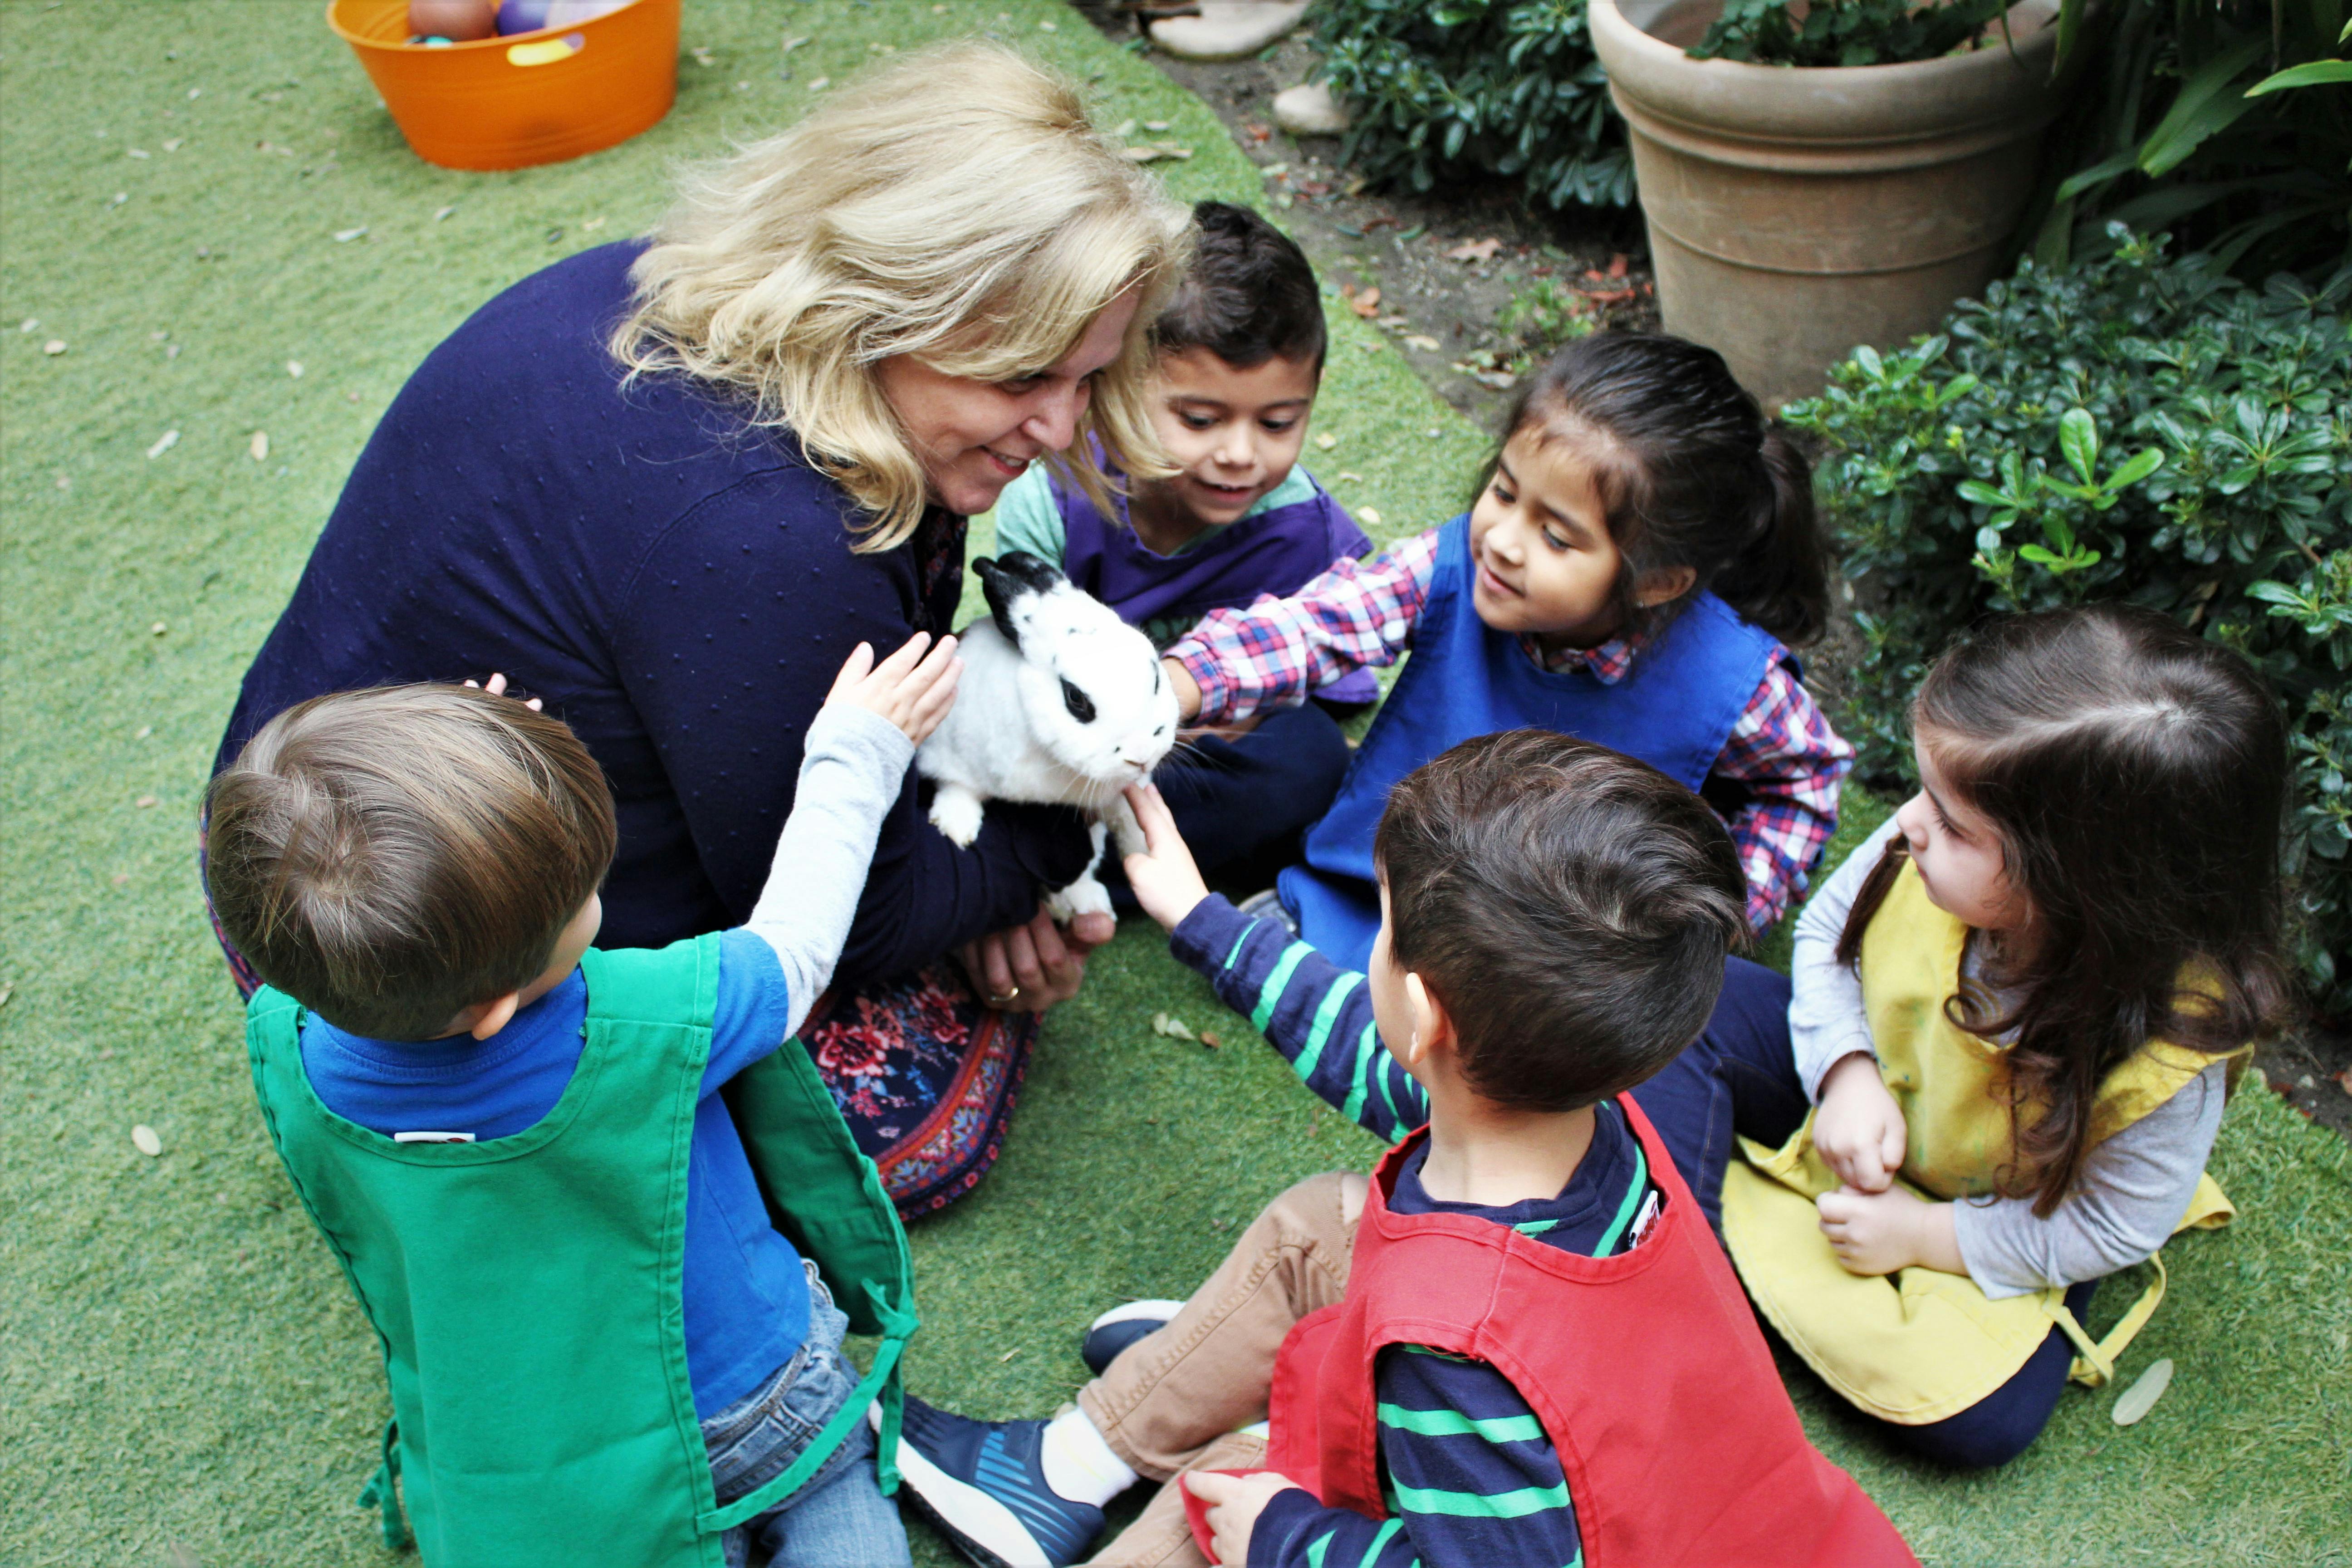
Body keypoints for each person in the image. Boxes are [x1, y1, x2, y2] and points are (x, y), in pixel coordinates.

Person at [206, 43, 1193, 1217]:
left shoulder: (678, 295)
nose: (1058, 423)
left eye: (1087, 376)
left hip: (292, 846)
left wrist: (986, 872)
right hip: (413, 941)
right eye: (1024, 375)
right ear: (885, 304)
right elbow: (860, 913)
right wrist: (1041, 852)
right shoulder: (772, 535)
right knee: (903, 1124)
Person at [881, 732, 1914, 1568]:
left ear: (1425, 1014)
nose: (1367, 949)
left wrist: (1285, 1536)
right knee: (1316, 1224)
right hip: (1718, 1507)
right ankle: (1068, 1468)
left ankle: (1133, 1468)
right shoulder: (1593, 1117)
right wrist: (1202, 920)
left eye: (1379, 928)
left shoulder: (1451, 1365)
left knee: (1230, 1488)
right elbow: (1375, 1059)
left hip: (1551, 1507)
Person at [207, 632, 961, 1568]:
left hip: (563, 1469)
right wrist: (859, 749)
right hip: (756, 1400)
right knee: (831, 1488)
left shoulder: (287, 1038)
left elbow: (394, 894)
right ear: (490, 1009)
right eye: (576, 895)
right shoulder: (638, 1025)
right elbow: (797, 951)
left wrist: (488, 783)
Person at [1632, 604, 2293, 1469]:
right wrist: (1848, 1073)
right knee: (1679, 998)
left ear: (2085, 888)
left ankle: (1730, 1220)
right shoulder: (1924, 840)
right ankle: (1687, 1267)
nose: (1910, 821)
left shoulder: (2178, 1052)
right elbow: (1825, 945)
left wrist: (1923, 1237)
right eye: (1927, 795)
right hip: (1872, 1096)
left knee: (1983, 1424)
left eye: (1952, 823)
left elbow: (2112, 1227)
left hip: (2007, 1199)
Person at [1159, 330, 1852, 969]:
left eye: (1557, 536)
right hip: (1370, 902)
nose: (1502, 539)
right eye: (1504, 491)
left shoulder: (1732, 679)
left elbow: (1807, 779)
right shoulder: (1456, 567)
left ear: (1659, 582)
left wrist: (1715, 925)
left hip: (1560, 968)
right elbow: (1316, 627)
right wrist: (1177, 683)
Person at [991, 201, 1371, 893]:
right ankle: (1083, 862)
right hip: (1075, 754)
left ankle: (1060, 869)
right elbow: (1027, 675)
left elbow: (1300, 678)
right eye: (1199, 419)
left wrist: (1223, 720)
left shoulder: (1303, 528)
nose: (1240, 455)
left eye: (1279, 422)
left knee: (1311, 758)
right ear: (1121, 385)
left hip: (1199, 755)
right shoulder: (1050, 500)